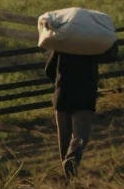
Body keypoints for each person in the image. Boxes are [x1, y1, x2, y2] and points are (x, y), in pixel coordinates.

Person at [44, 40, 118, 178]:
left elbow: (49, 71)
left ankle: (67, 175)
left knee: (64, 137)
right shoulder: (90, 45)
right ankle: (72, 160)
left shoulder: (63, 44)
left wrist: (61, 81)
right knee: (81, 134)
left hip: (63, 95)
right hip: (84, 95)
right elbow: (111, 56)